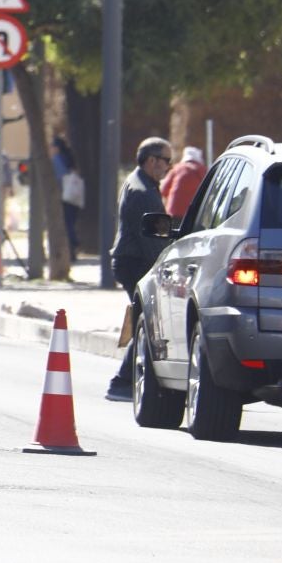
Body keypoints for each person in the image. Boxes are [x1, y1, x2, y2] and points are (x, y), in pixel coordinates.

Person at [107, 136, 175, 400]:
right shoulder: (143, 192)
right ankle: (122, 382)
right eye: (166, 160)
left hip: (130, 261)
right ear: (151, 161)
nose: (168, 167)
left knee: (144, 321)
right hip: (136, 262)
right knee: (147, 322)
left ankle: (131, 381)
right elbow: (151, 239)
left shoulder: (140, 183)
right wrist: (162, 268)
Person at [52, 134, 83, 260]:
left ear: (57, 147)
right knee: (71, 222)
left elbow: (59, 177)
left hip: (64, 195)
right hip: (74, 196)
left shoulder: (57, 159)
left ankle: (73, 244)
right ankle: (73, 249)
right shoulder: (69, 158)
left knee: (66, 224)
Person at [161, 145, 206, 224]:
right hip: (193, 214)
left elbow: (163, 190)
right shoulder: (202, 170)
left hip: (173, 212)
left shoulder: (176, 168)